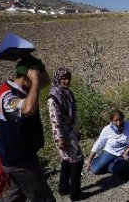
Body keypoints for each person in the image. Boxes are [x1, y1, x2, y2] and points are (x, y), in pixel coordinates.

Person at [0, 55, 56, 202]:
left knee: (16, 196)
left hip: (15, 157)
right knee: (44, 199)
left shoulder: (24, 90)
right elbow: (28, 109)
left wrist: (37, 62)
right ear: (26, 77)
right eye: (36, 78)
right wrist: (34, 81)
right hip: (20, 161)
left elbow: (47, 82)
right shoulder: (7, 96)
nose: (39, 81)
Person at [47, 67, 85, 201]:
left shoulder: (67, 93)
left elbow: (73, 115)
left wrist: (77, 130)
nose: (67, 81)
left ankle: (63, 188)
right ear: (58, 79)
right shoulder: (54, 97)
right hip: (63, 135)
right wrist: (60, 138)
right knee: (78, 160)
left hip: (71, 132)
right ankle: (75, 193)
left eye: (68, 78)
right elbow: (54, 120)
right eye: (63, 78)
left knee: (67, 160)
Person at [85, 109, 129, 177]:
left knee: (114, 169)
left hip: (123, 153)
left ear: (123, 118)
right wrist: (89, 159)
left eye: (120, 119)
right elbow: (98, 144)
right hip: (109, 152)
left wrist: (127, 151)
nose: (119, 123)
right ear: (112, 121)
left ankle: (113, 165)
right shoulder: (107, 129)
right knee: (95, 170)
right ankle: (100, 161)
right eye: (116, 120)